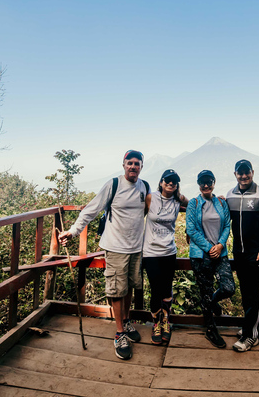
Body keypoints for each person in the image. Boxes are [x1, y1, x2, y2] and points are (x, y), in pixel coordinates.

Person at [58, 150, 149, 361]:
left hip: (136, 247)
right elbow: (91, 209)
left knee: (129, 287)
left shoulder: (144, 187)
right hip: (115, 247)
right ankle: (119, 333)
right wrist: (73, 231)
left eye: (137, 163)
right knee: (117, 290)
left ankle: (126, 321)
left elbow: (150, 209)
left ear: (142, 167)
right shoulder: (113, 185)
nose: (133, 167)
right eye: (130, 163)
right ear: (123, 165)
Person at [226, 159, 259, 352]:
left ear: (252, 173)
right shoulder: (230, 195)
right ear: (235, 174)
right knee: (245, 292)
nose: (244, 176)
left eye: (247, 173)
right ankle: (253, 326)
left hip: (257, 253)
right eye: (240, 173)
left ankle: (251, 335)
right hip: (239, 252)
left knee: (255, 293)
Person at [186, 170, 235, 348]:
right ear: (198, 184)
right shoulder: (194, 203)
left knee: (228, 288)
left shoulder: (221, 202)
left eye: (209, 182)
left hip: (220, 253)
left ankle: (212, 302)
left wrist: (220, 245)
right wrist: (209, 248)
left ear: (214, 183)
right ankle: (210, 329)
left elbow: (227, 225)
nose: (206, 185)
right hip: (200, 255)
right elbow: (191, 229)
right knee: (205, 291)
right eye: (202, 182)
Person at [143, 169, 188, 345]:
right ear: (161, 182)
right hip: (151, 252)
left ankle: (165, 322)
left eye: (174, 182)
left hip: (169, 251)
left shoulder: (178, 200)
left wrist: (217, 199)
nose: (170, 184)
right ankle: (156, 323)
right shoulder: (150, 198)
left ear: (177, 185)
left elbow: (195, 204)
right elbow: (138, 217)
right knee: (155, 289)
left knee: (167, 289)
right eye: (167, 181)